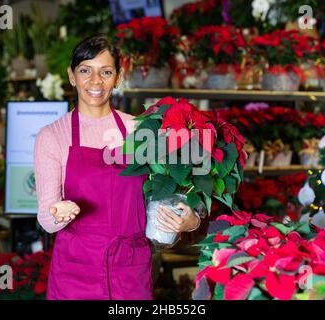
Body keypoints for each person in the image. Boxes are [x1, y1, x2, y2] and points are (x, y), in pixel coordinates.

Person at [34, 35, 201, 300]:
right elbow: (45, 216)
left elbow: (169, 199)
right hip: (76, 274)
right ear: (71, 76)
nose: (95, 81)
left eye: (106, 72)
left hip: (131, 272)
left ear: (118, 77)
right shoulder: (53, 136)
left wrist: (190, 222)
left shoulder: (141, 131)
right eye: (85, 71)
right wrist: (58, 213)